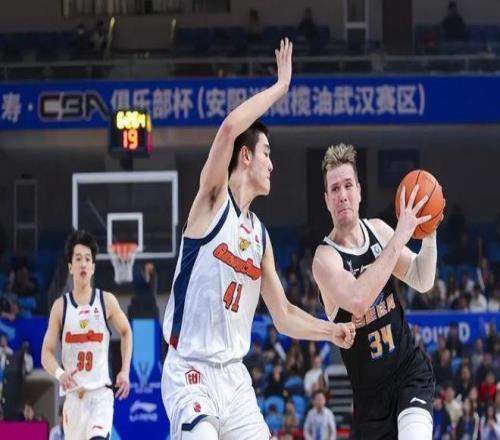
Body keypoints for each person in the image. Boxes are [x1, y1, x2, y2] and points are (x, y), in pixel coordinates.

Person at [161, 39, 355, 440]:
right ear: (245, 156)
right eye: (266, 152)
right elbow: (230, 128)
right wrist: (281, 87)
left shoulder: (260, 237)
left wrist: (330, 331)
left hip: (234, 381)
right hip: (190, 371)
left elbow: (283, 314)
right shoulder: (212, 201)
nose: (272, 163)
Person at [312, 143, 439, 439]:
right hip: (370, 402)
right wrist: (400, 236)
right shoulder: (325, 259)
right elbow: (358, 300)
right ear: (327, 200)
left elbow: (422, 279)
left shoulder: (379, 231)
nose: (342, 195)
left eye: (348, 185)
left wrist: (429, 233)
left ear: (359, 191)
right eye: (334, 189)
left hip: (409, 372)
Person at [41, 230, 132, 440]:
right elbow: (45, 353)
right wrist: (60, 374)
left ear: (93, 267)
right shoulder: (60, 307)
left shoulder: (106, 301)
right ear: (70, 266)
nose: (83, 263)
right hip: (74, 400)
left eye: (88, 259)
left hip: (100, 396)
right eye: (78, 258)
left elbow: (126, 331)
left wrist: (125, 370)